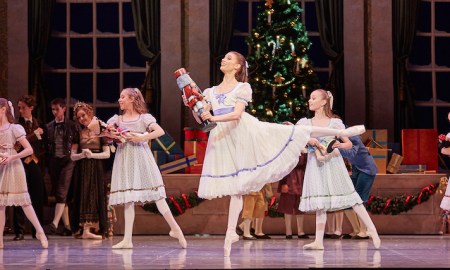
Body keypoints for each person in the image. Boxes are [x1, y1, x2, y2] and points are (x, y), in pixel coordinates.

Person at [184, 51, 366, 257]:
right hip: (222, 139)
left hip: (242, 132)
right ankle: (230, 235)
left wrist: (213, 119)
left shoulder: (242, 87)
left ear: (237, 67)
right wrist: (193, 105)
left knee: (290, 131)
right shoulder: (210, 92)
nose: (223, 60)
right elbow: (202, 120)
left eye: (228, 58)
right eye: (223, 57)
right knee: (236, 188)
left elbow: (236, 114)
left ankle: (340, 132)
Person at [298, 89, 380, 250]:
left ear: (323, 102)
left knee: (352, 197)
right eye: (310, 98)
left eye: (313, 98)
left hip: (333, 163)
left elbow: (349, 143)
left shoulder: (334, 123)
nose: (309, 101)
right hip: (315, 164)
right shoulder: (305, 123)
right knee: (320, 203)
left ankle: (372, 230)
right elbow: (299, 145)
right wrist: (309, 142)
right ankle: (318, 241)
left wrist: (339, 145)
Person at [106, 87, 187, 249]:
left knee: (157, 195)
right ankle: (127, 240)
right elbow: (108, 135)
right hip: (125, 159)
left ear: (132, 99)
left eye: (123, 97)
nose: (119, 100)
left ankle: (175, 228)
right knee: (128, 198)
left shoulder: (143, 118)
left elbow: (159, 131)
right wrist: (112, 135)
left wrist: (142, 137)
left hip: (142, 158)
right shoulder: (117, 119)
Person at [0, 98, 48, 248]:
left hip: (14, 166)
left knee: (25, 202)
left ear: (3, 109)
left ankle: (40, 231)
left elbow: (29, 149)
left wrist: (12, 156)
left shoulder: (15, 128)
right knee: (1, 204)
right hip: (2, 166)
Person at [69, 102, 110, 240]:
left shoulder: (100, 131)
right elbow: (73, 156)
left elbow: (107, 154)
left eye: (83, 115)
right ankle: (84, 229)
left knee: (96, 195)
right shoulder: (78, 133)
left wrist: (92, 155)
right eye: (79, 117)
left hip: (97, 167)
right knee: (83, 195)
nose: (81, 119)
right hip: (82, 168)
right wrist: (82, 155)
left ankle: (96, 228)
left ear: (90, 114)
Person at [12, 95, 47, 240]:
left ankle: (36, 231)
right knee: (19, 195)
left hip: (36, 163)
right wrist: (34, 135)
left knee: (37, 196)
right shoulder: (17, 125)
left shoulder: (39, 123)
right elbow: (18, 144)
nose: (20, 110)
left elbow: (45, 146)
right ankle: (19, 231)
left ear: (31, 108)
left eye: (23, 108)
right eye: (19, 108)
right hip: (20, 163)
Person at [45, 98, 78, 236]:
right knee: (60, 194)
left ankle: (54, 223)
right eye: (52, 109)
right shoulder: (49, 126)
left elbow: (76, 142)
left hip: (68, 161)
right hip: (54, 162)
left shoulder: (72, 125)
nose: (54, 112)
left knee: (62, 191)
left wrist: (73, 157)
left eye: (57, 109)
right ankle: (68, 226)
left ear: (64, 109)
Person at [339, 135, 378, 239]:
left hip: (366, 169)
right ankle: (356, 230)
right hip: (356, 169)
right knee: (347, 200)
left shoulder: (353, 137)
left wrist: (336, 148)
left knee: (360, 199)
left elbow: (352, 153)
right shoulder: (337, 138)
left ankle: (364, 231)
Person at [276, 153, 309, 239]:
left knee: (301, 206)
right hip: (289, 178)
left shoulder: (305, 150)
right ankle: (288, 231)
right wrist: (284, 182)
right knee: (287, 205)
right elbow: (283, 168)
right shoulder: (289, 149)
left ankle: (301, 231)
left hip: (301, 178)